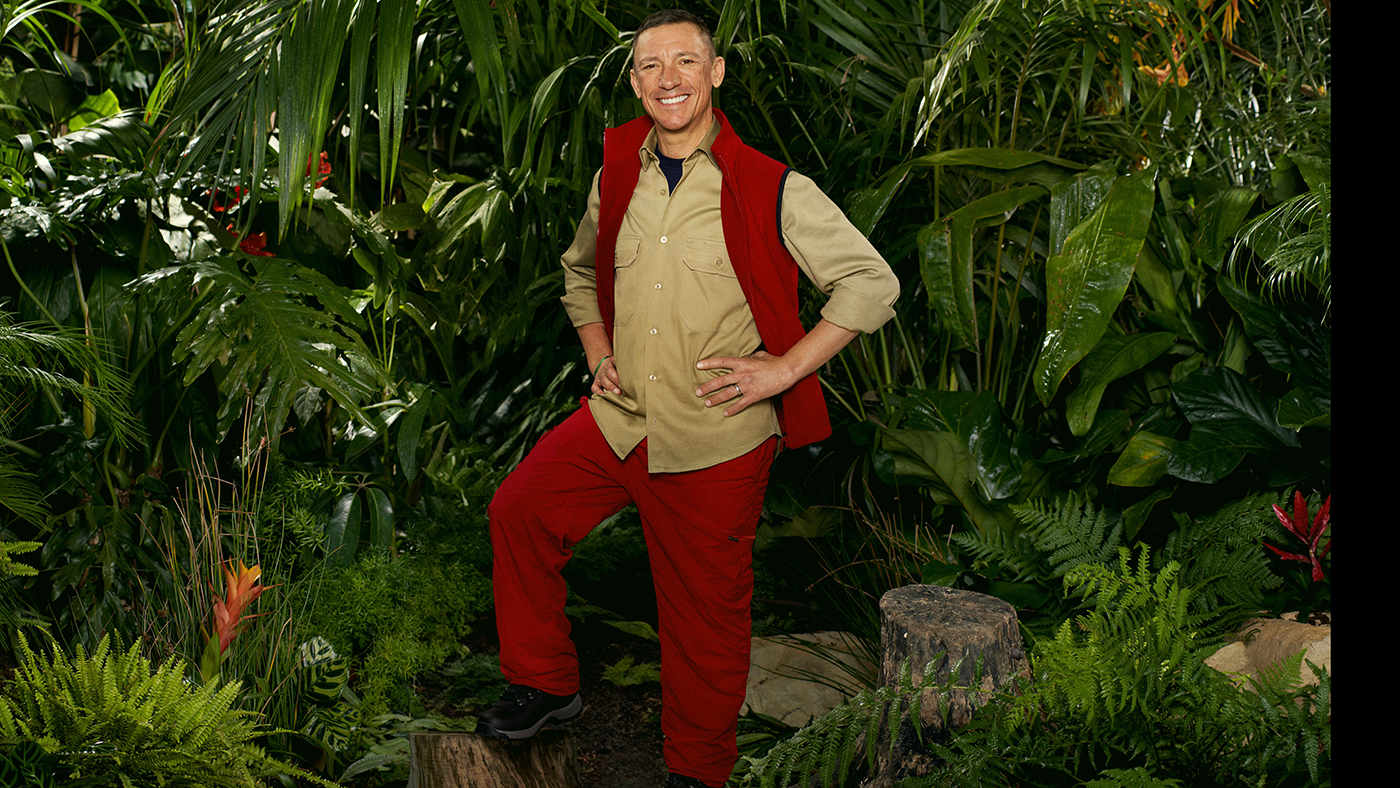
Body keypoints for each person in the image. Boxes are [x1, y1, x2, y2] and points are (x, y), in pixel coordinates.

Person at [477, 8, 899, 787]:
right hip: (619, 420)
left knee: (705, 620)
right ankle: (546, 684)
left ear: (716, 72)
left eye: (685, 61)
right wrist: (597, 350)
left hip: (715, 434)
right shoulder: (616, 174)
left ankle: (696, 773)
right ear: (635, 82)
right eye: (650, 65)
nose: (667, 78)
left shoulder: (772, 185)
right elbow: (579, 272)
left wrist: (783, 370)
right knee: (520, 512)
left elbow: (871, 283)